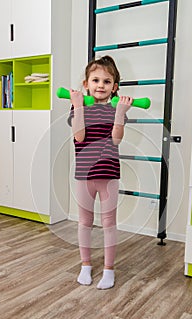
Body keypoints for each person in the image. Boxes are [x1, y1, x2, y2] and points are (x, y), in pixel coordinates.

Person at [68, 55, 132, 289]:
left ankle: (109, 269)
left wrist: (120, 112)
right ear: (86, 84)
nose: (100, 85)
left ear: (114, 87)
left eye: (107, 81)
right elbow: (79, 136)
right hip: (85, 176)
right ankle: (85, 264)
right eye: (95, 80)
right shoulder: (79, 107)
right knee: (85, 221)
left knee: (109, 223)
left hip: (109, 174)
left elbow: (116, 140)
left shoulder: (117, 110)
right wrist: (77, 106)